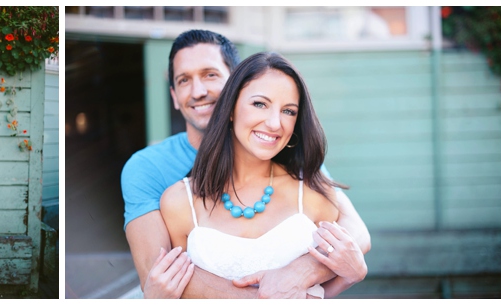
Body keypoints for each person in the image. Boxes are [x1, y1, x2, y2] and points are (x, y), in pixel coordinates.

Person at [120, 30, 371, 298]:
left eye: (210, 74)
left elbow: (355, 235)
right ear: (173, 95)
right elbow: (160, 280)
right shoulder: (154, 175)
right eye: (184, 80)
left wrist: (310, 273)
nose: (199, 91)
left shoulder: (304, 177)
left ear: (232, 83)